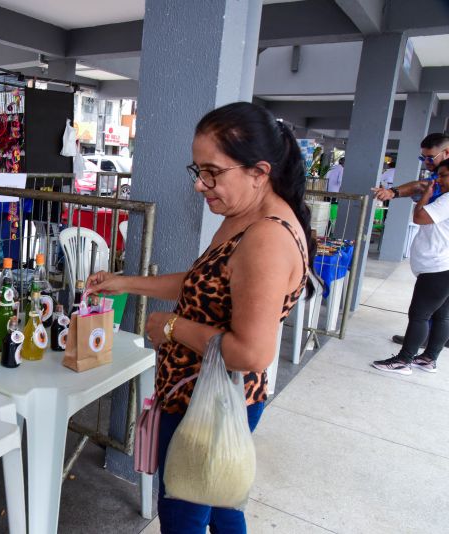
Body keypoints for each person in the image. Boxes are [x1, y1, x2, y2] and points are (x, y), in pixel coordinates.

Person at [87, 102, 313, 533]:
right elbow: (203, 283)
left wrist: (170, 327)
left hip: (211, 400)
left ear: (258, 171)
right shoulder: (244, 216)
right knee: (223, 505)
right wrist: (127, 283)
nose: (200, 186)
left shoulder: (266, 237)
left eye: (213, 172)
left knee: (184, 515)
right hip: (200, 395)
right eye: (199, 171)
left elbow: (252, 352)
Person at [371, 159, 449, 375]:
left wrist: (425, 196)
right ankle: (429, 358)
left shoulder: (447, 200)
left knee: (420, 314)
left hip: (438, 267)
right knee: (442, 316)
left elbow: (420, 216)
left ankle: (403, 361)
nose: (438, 180)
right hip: (444, 265)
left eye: (443, 176)